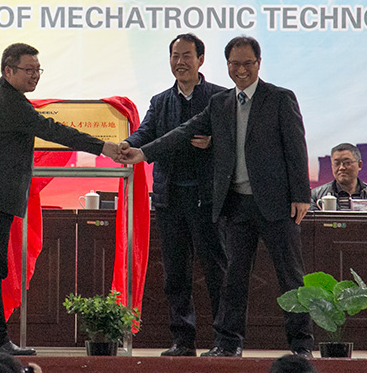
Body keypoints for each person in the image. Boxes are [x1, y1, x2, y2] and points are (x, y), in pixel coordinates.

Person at [120, 35, 313, 357]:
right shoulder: (220, 103)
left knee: (291, 278)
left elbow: (296, 148)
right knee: (234, 280)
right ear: (227, 65)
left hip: (276, 205)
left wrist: (301, 194)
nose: (241, 70)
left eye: (247, 63)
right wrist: (143, 153)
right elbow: (182, 132)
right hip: (236, 205)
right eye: (235, 64)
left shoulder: (279, 98)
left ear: (258, 64)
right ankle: (228, 344)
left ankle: (301, 346)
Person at [0, 42, 120, 357]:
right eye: (28, 70)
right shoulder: (10, 102)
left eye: (38, 70)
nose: (35, 76)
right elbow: (52, 130)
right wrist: (104, 147)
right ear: (9, 70)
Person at [121, 33, 227, 357]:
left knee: (216, 271)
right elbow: (146, 132)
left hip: (207, 199)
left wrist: (214, 142)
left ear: (201, 60)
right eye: (175, 56)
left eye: (186, 56)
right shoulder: (160, 101)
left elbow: (236, 141)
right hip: (169, 199)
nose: (180, 62)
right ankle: (183, 340)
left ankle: (225, 340)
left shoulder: (219, 97)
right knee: (175, 275)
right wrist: (129, 143)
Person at [309, 143, 367, 211]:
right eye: (336, 164)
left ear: (359, 165)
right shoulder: (316, 196)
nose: (341, 168)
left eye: (347, 163)